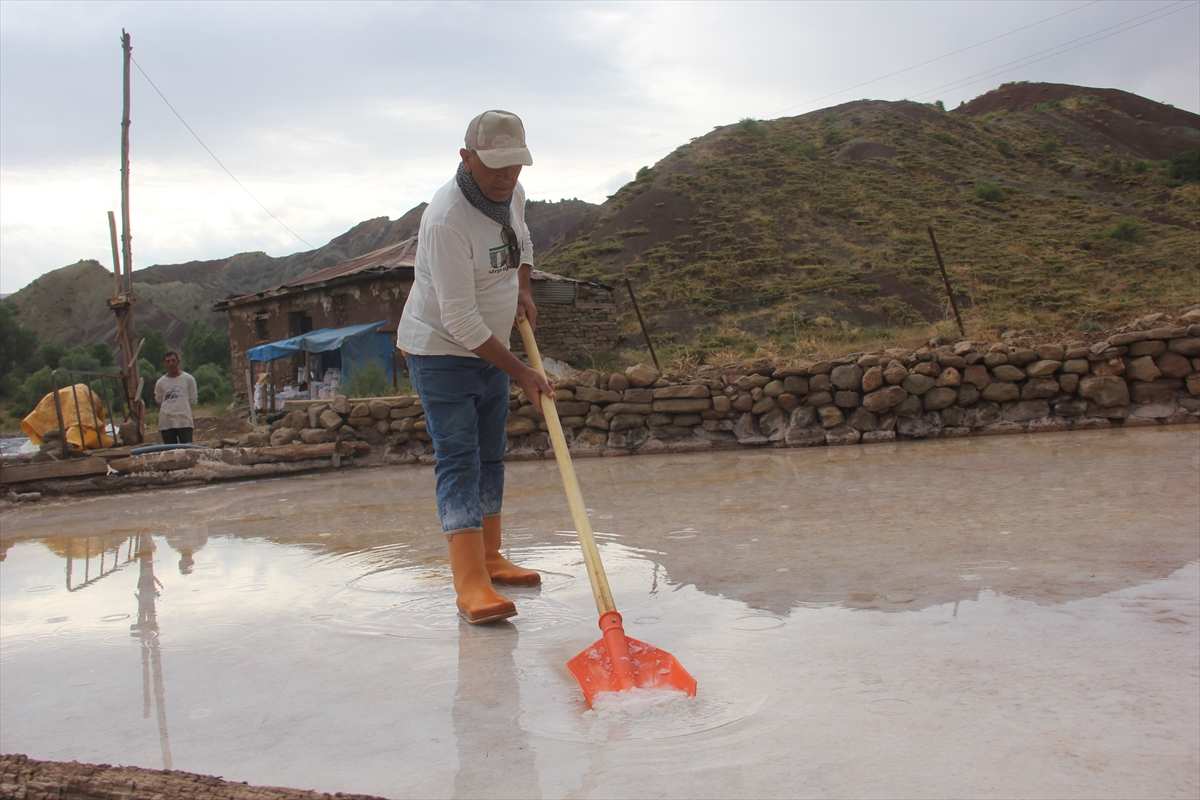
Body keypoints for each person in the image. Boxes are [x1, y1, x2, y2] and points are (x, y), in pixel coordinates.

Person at [397, 109, 555, 624]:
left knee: (491, 454)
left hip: (492, 347)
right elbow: (460, 319)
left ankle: (490, 556)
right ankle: (470, 581)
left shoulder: (512, 193)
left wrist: (523, 288)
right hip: (441, 351)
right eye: (495, 166)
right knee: (460, 458)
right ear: (466, 158)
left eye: (515, 165)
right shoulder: (447, 219)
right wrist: (521, 372)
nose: (506, 177)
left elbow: (522, 242)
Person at [154, 351, 198, 444]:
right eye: (168, 361)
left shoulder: (188, 379)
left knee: (187, 449)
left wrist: (183, 409)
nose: (171, 364)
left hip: (184, 422)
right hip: (166, 423)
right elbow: (159, 401)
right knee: (170, 450)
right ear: (164, 363)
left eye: (173, 360)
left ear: (178, 362)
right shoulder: (160, 382)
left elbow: (193, 401)